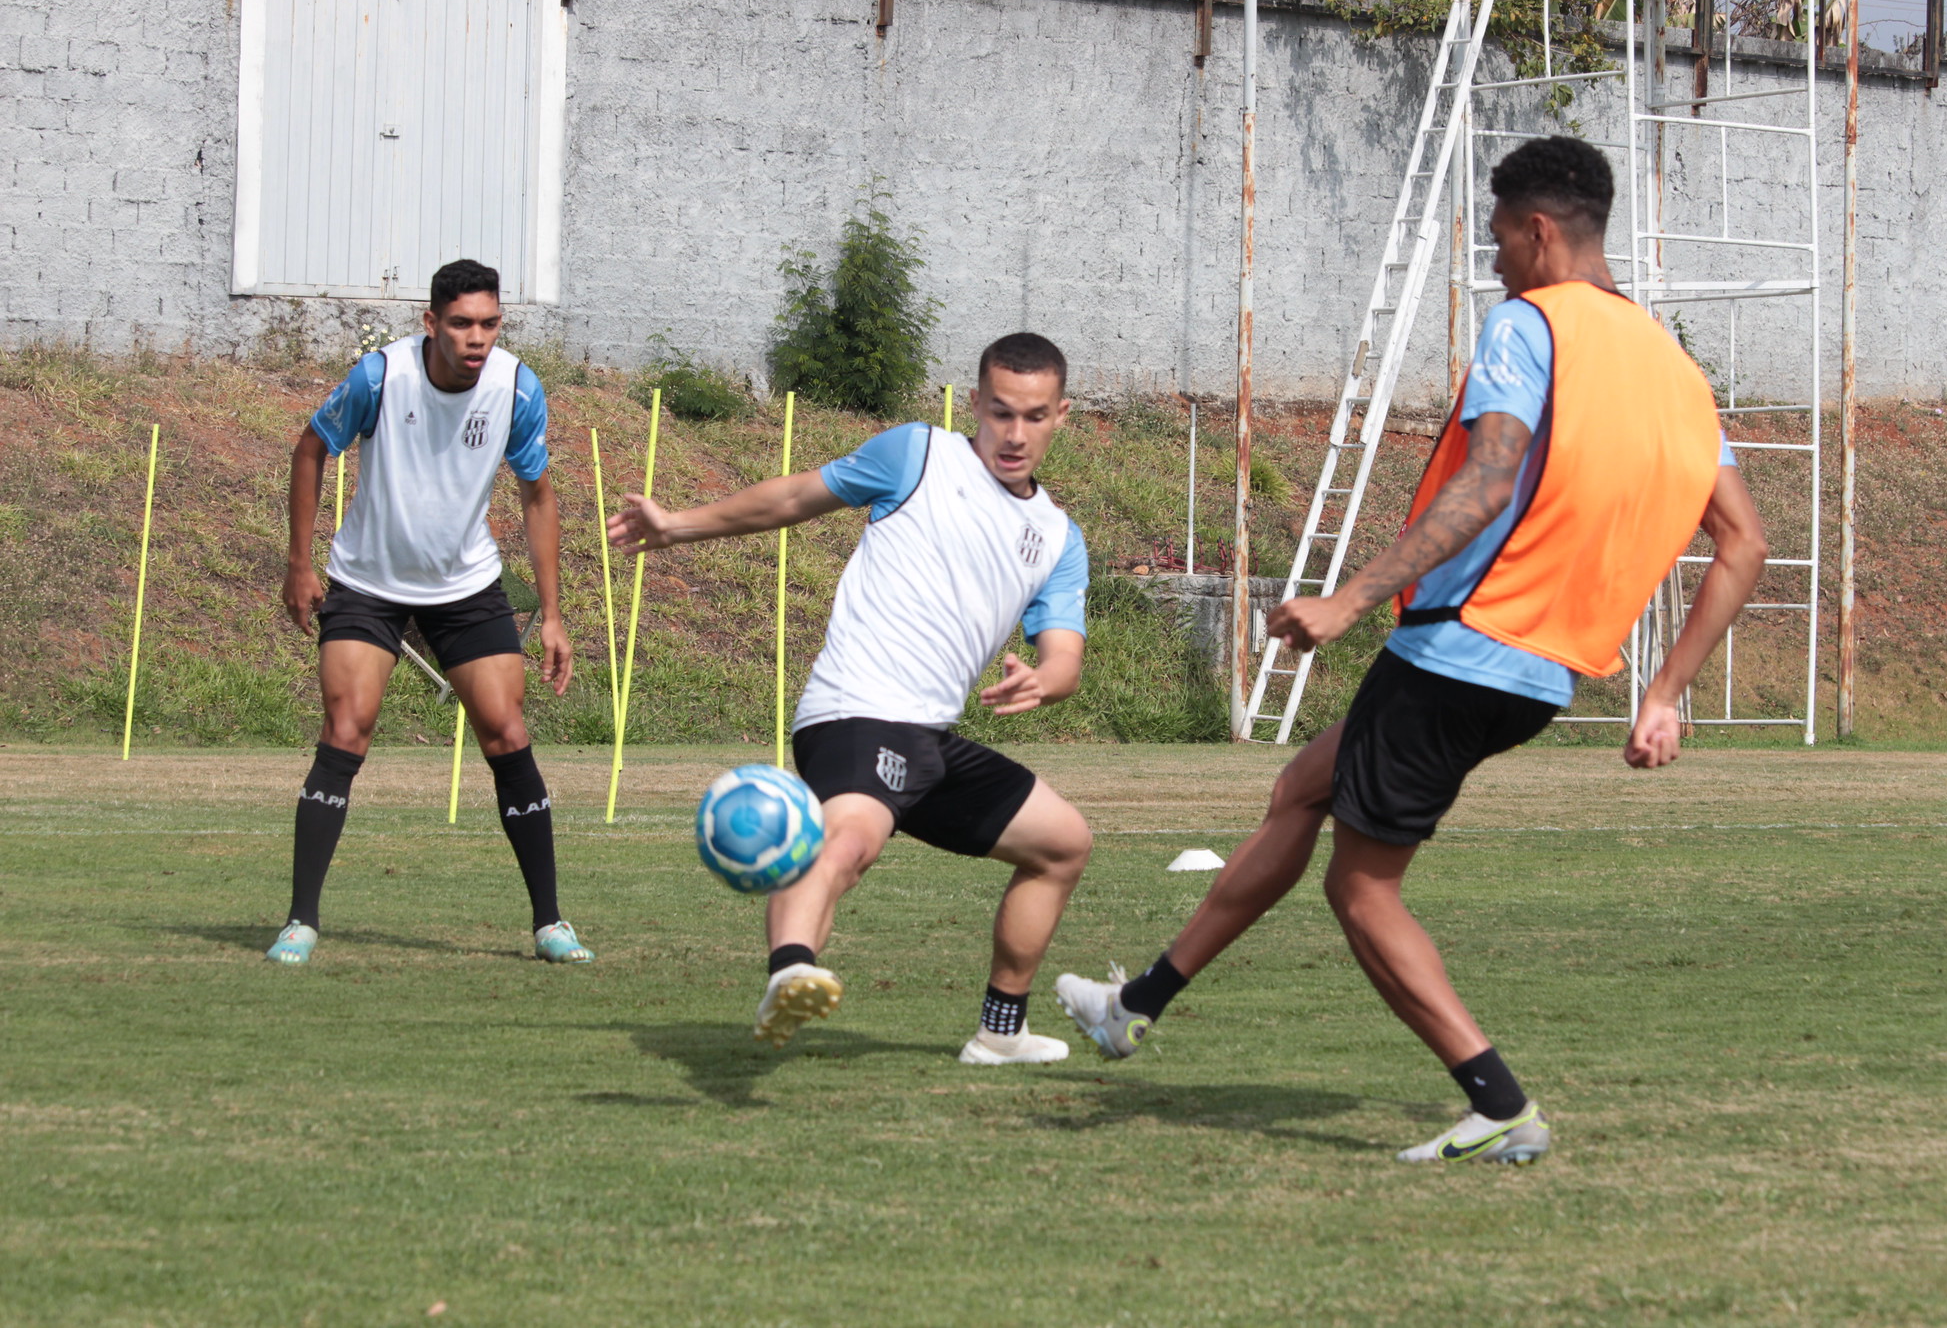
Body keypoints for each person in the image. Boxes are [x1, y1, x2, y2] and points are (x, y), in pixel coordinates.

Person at [1055, 137, 1768, 1164]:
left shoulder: (1531, 324)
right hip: (1542, 677)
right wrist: (1662, 691)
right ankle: (1135, 1007)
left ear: (1536, 232)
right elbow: (1743, 541)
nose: (1491, 264)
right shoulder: (1676, 373)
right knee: (1303, 787)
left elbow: (1484, 483)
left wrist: (1349, 597)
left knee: (1360, 890)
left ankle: (1498, 1103)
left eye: (1495, 242)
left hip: (1462, 651)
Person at [609, 333, 1094, 1065]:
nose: (1015, 434)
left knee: (1062, 843)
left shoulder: (1057, 537)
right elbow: (796, 496)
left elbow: (1065, 657)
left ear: (1062, 414)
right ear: (975, 404)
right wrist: (677, 524)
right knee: (851, 839)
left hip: (929, 736)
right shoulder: (919, 455)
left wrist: (1044, 679)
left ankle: (1000, 1030)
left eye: (1033, 416)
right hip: (856, 709)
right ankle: (791, 968)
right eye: (1000, 413)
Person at [266, 259, 593, 967]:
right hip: (368, 582)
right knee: (346, 729)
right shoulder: (380, 377)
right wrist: (298, 564)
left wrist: (554, 613)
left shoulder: (517, 388)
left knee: (507, 731)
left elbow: (538, 494)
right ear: (431, 322)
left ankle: (551, 922)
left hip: (466, 584)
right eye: (461, 323)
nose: (477, 338)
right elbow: (309, 449)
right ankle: (300, 920)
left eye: (489, 323)